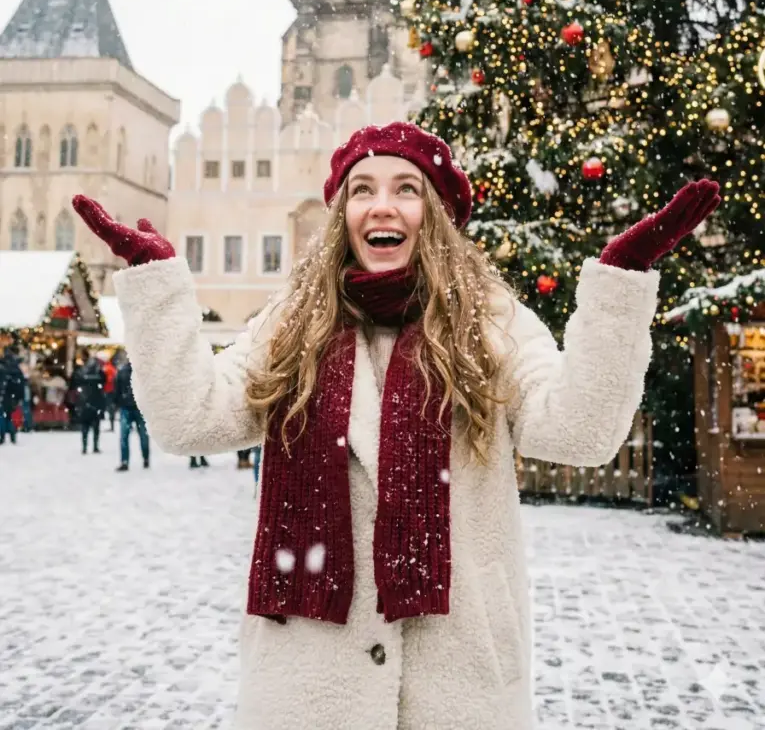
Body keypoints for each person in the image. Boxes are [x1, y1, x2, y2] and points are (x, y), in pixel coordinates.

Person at [72, 122, 721, 730]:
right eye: (362, 190)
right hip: (307, 684)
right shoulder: (292, 322)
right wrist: (157, 288)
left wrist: (619, 285)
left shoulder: (487, 321)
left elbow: (577, 433)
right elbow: (193, 419)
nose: (381, 206)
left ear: (434, 216)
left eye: (405, 189)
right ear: (341, 219)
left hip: (458, 682)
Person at [114, 360, 150, 471]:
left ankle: (125, 461)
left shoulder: (122, 371)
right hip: (140, 407)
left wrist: (118, 402)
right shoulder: (143, 371)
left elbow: (117, 390)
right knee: (143, 435)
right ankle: (145, 459)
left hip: (127, 407)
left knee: (124, 436)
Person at [72, 351, 106, 454]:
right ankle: (94, 446)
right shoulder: (98, 371)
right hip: (95, 401)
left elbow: (75, 382)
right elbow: (103, 380)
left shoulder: (81, 371)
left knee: (85, 425)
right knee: (95, 426)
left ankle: (85, 447)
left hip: (85, 400)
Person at [0, 346, 27, 445]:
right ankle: (12, 435)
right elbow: (21, 384)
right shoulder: (15, 367)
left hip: (3, 394)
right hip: (13, 395)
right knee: (11, 416)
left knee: (2, 417)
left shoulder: (2, 365)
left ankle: (2, 436)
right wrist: (20, 397)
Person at [100, 352, 118, 431]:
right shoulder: (112, 368)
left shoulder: (107, 368)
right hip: (111, 391)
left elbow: (109, 380)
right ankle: (112, 425)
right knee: (111, 408)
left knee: (110, 408)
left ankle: (112, 426)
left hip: (108, 391)